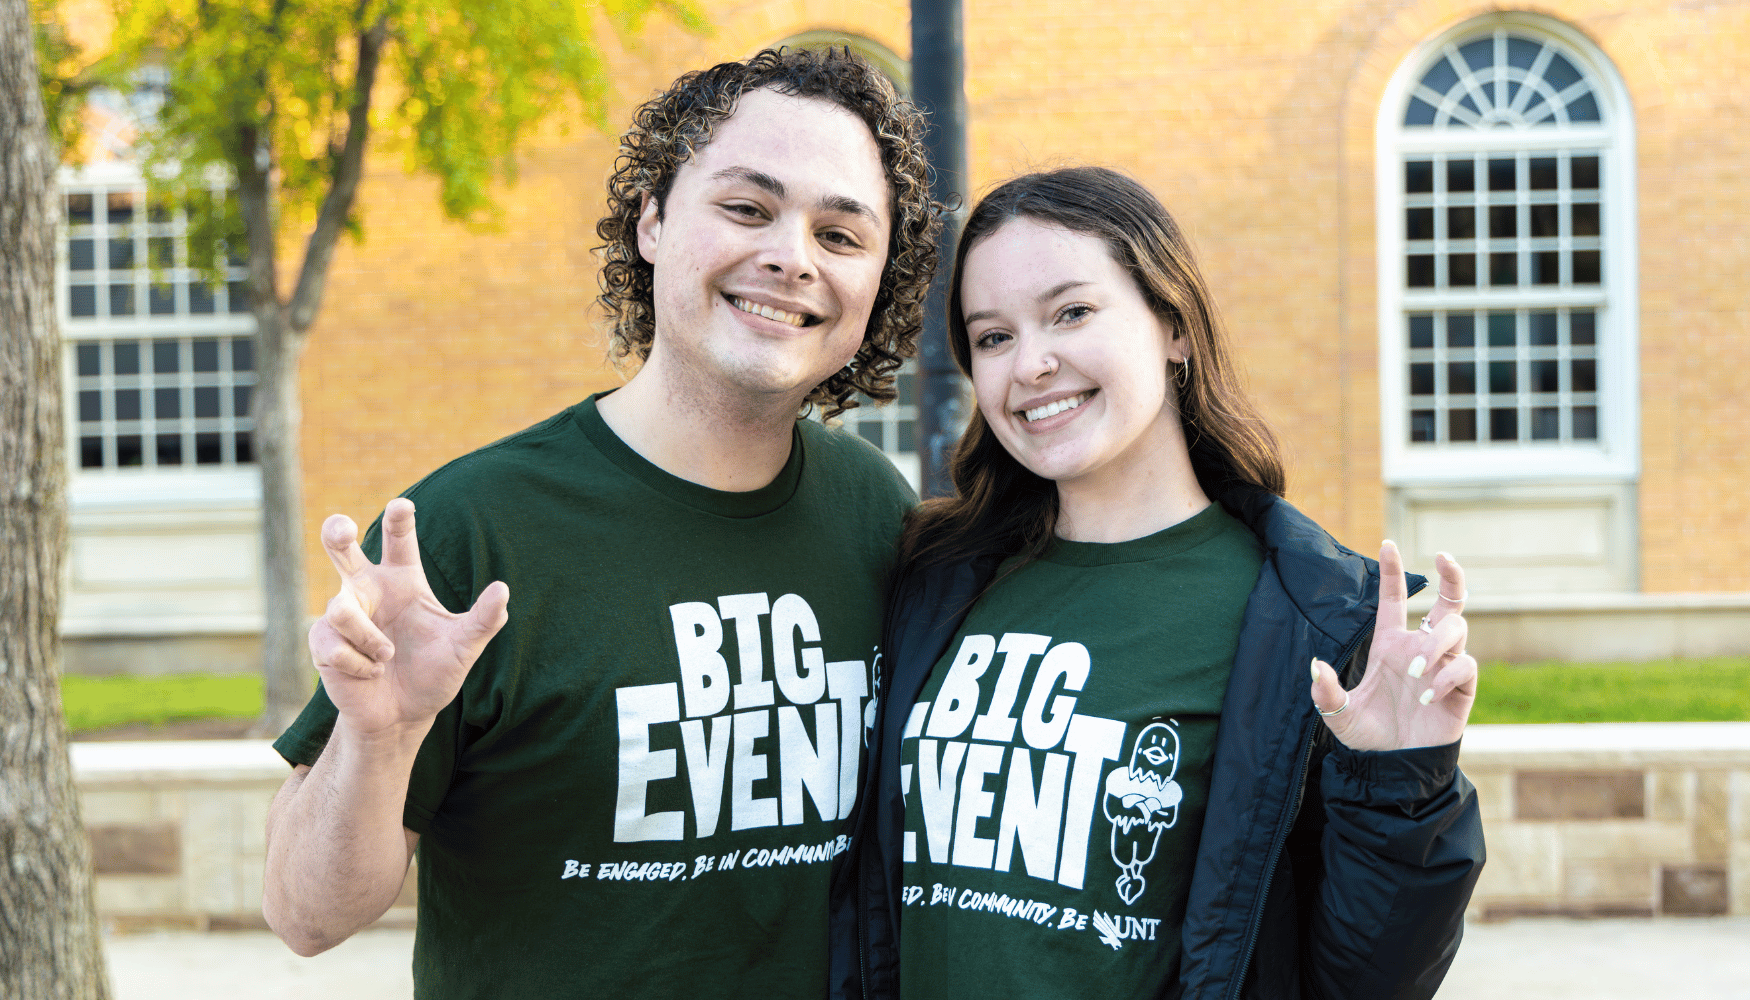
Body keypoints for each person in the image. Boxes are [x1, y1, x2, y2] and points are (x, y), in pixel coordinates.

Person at [261, 47, 942, 998]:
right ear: (653, 222)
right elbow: (306, 916)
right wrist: (381, 740)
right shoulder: (465, 533)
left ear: (878, 280)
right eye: (747, 209)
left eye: (840, 234)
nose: (793, 257)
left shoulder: (878, 513)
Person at [830, 168, 1485, 1000]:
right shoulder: (933, 584)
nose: (1031, 364)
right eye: (992, 337)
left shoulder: (1302, 621)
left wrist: (1401, 785)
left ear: (1173, 325)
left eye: (1072, 313)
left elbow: (1363, 981)